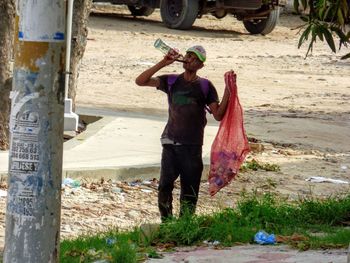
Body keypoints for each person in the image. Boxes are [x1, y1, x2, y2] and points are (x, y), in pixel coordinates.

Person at [135, 45, 231, 221]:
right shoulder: (171, 81)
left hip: (192, 147)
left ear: (201, 66)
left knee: (190, 190)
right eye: (188, 55)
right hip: (171, 144)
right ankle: (167, 223)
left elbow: (217, 115)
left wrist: (228, 91)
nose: (189, 59)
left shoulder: (205, 86)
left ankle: (185, 225)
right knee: (165, 186)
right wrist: (164, 62)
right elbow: (140, 81)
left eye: (195, 58)